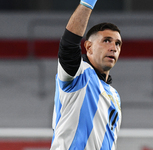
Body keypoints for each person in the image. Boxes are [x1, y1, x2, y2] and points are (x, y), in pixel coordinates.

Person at [50, 0, 122, 149]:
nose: (113, 48)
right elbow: (69, 45)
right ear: (89, 47)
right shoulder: (79, 74)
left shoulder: (115, 95)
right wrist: (87, 3)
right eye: (107, 41)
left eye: (117, 43)